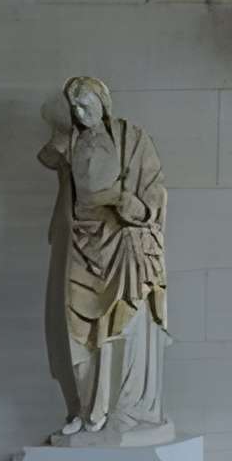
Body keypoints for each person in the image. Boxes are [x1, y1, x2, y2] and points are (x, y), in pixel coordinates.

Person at [39, 75, 171, 441]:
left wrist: (134, 206)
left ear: (103, 102)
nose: (82, 112)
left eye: (88, 104)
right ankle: (84, 407)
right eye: (75, 107)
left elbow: (156, 190)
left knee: (117, 325)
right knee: (77, 326)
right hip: (83, 243)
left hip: (122, 242)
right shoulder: (71, 141)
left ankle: (111, 410)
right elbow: (48, 157)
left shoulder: (132, 139)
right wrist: (62, 136)